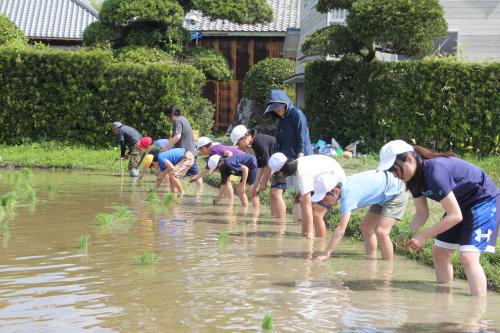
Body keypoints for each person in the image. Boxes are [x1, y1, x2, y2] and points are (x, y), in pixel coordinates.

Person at [377, 140, 499, 296]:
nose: (395, 176)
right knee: (440, 251)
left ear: (409, 159)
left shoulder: (435, 171)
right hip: (460, 204)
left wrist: (424, 235)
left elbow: (455, 215)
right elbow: (422, 213)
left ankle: (476, 313)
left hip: (483, 200)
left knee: (468, 257)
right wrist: (410, 232)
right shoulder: (413, 179)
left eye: (395, 170)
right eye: (390, 172)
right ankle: (443, 298)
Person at [313, 169, 409, 260]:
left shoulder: (348, 195)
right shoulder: (344, 185)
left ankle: (387, 270)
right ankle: (372, 259)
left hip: (397, 191)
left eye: (324, 198)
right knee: (366, 227)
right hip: (383, 194)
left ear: (336, 191)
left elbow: (341, 230)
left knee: (382, 232)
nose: (323, 201)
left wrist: (326, 253)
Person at [268, 153, 345, 239]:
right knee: (303, 204)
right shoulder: (298, 163)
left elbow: (307, 203)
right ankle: (305, 233)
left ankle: (320, 244)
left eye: (277, 174)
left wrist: (309, 233)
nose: (278, 176)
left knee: (317, 215)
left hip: (335, 181)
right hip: (325, 178)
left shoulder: (302, 174)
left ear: (281, 172)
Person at [264, 89, 314, 218]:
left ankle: (301, 225)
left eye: (279, 107)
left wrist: (300, 160)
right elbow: (278, 143)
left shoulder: (297, 114)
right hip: (286, 159)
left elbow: (302, 138)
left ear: (285, 103)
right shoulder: (281, 119)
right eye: (274, 108)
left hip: (301, 157)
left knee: (301, 194)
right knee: (282, 192)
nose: (277, 110)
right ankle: (281, 225)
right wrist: (274, 169)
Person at [230, 125, 286, 218]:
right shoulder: (255, 144)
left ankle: (281, 225)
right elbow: (260, 166)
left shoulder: (259, 142)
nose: (238, 147)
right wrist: (256, 185)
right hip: (276, 166)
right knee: (273, 193)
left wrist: (263, 183)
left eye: (238, 144)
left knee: (276, 193)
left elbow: (267, 164)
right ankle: (275, 221)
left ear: (243, 138)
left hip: (282, 164)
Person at [160, 105, 201, 186]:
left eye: (167, 117)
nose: (168, 119)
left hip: (184, 154)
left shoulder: (177, 121)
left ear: (171, 115)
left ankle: (175, 195)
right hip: (191, 152)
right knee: (195, 175)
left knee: (174, 175)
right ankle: (199, 194)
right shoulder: (183, 118)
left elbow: (177, 137)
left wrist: (164, 148)